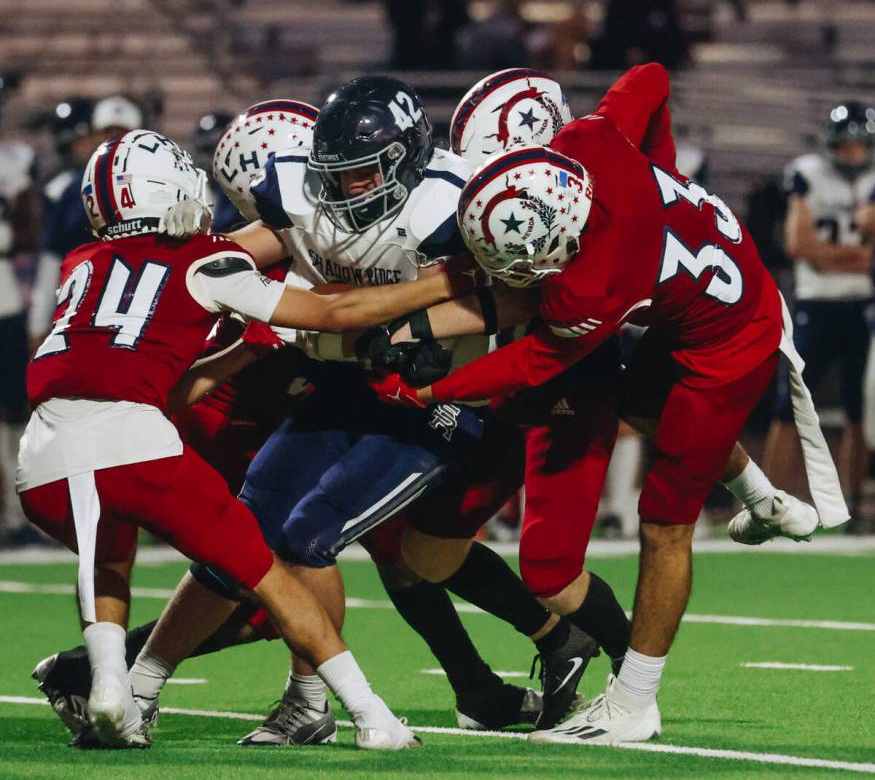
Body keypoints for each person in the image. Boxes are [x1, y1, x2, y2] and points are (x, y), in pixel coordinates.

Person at [97, 78, 597, 743]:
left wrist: (421, 332)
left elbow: (520, 300)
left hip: (434, 404)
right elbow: (244, 255)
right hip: (344, 384)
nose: (344, 190)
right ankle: (141, 689)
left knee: (308, 537)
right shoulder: (302, 195)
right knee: (234, 534)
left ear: (405, 159)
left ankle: (310, 702)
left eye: (361, 174)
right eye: (334, 175)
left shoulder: (451, 204)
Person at [373, 64, 848, 742]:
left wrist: (428, 390)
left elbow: (535, 356)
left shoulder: (591, 281)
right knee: (646, 411)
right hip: (700, 293)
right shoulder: (593, 139)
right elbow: (651, 76)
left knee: (663, 522)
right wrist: (661, 171)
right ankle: (761, 495)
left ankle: (632, 704)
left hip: (726, 342)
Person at [17, 127, 475, 749]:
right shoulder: (206, 258)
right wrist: (449, 282)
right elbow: (337, 315)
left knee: (106, 560)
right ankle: (372, 717)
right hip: (132, 441)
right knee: (269, 573)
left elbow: (163, 387)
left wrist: (238, 352)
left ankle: (113, 690)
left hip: (41, 456)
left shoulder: (83, 264)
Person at [763, 101, 875, 533]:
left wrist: (832, 257)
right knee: (787, 405)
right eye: (845, 146)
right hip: (815, 305)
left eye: (858, 146)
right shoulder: (807, 172)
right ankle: (768, 500)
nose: (851, 154)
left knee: (858, 410)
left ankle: (850, 505)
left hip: (861, 307)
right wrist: (850, 257)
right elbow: (797, 244)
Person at [28, 95, 143, 348]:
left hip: (141, 305)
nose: (114, 141)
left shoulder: (154, 181)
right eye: (106, 132)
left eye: (122, 134)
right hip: (85, 309)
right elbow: (53, 256)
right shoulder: (72, 190)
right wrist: (38, 322)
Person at [0, 81, 39, 545]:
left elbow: (31, 230)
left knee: (13, 411)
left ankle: (15, 514)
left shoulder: (13, 161)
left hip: (5, 299)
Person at [385, 0, 470, 70]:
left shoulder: (454, 0)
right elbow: (402, 24)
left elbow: (462, 25)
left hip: (445, 59)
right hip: (408, 58)